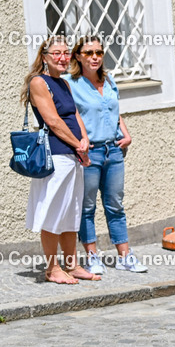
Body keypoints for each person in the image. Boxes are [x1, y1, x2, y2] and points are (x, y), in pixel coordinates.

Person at [65, 36, 147, 276]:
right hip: (89, 153)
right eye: (89, 52)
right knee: (87, 206)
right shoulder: (70, 83)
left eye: (99, 53)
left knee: (115, 205)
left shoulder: (109, 79)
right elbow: (69, 116)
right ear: (77, 56)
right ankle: (92, 256)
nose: (94, 57)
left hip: (113, 151)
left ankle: (125, 256)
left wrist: (126, 133)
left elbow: (114, 111)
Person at [22, 37, 98, 284]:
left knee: (71, 212)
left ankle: (72, 265)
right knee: (54, 211)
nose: (62, 57)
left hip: (73, 155)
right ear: (44, 56)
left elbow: (75, 115)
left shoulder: (63, 84)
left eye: (66, 53)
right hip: (56, 155)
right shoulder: (39, 82)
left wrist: (84, 140)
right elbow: (53, 121)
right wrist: (78, 145)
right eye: (56, 53)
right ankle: (53, 269)